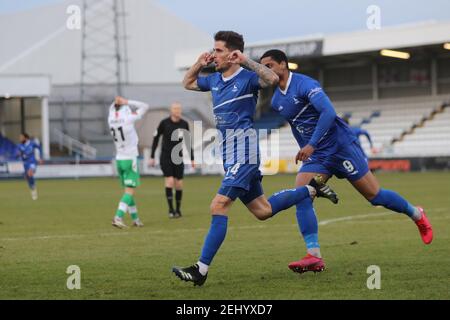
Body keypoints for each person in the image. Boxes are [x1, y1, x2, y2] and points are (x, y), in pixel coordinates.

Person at [172, 31, 337, 286]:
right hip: (228, 153)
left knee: (218, 205)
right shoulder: (214, 79)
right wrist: (198, 63)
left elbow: (271, 77)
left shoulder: (248, 78)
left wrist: (245, 60)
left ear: (231, 53)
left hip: (245, 151)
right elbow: (187, 82)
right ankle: (310, 189)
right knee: (263, 210)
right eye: (213, 50)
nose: (214, 54)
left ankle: (200, 270)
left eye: (217, 50)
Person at [259, 49, 433, 273]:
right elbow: (296, 124)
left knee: (375, 196)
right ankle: (314, 256)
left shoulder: (304, 84)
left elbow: (328, 113)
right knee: (302, 193)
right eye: (263, 67)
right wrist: (306, 147)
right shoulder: (276, 101)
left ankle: (417, 214)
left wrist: (311, 143)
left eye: (270, 65)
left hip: (341, 147)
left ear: (284, 65)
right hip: (319, 154)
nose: (266, 70)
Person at [109, 96, 149, 228]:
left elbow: (113, 108)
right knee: (129, 191)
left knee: (128, 190)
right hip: (129, 158)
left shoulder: (111, 119)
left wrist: (117, 103)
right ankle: (118, 217)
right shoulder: (128, 118)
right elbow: (145, 106)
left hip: (119, 159)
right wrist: (127, 101)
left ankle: (135, 219)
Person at [149, 102, 195, 218]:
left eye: (179, 109)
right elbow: (155, 139)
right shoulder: (164, 123)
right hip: (165, 157)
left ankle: (178, 210)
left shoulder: (184, 124)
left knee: (179, 184)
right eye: (175, 109)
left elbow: (188, 142)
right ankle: (171, 210)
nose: (177, 111)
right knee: (169, 181)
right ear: (171, 110)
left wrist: (192, 159)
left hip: (178, 158)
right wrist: (152, 156)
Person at [17, 133, 43, 200]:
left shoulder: (32, 143)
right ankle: (33, 188)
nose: (20, 139)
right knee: (27, 177)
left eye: (21, 137)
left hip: (32, 162)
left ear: (26, 138)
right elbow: (18, 154)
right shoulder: (20, 145)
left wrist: (40, 158)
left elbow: (39, 147)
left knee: (30, 173)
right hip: (25, 163)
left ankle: (33, 188)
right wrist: (19, 154)